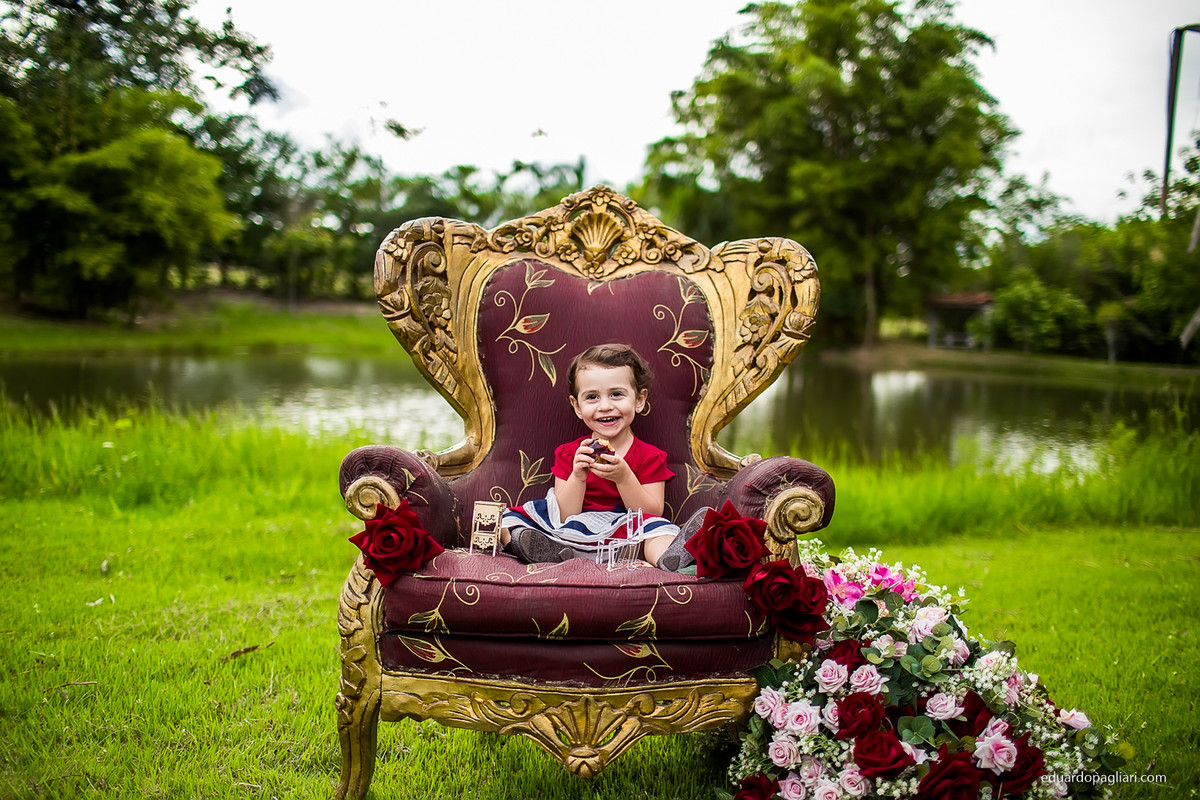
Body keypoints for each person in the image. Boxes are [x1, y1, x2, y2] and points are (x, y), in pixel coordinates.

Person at [500, 343, 682, 568]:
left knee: (660, 533)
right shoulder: (570, 454)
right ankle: (548, 553)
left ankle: (668, 559)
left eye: (616, 394)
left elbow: (652, 513)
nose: (605, 406)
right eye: (592, 397)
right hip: (571, 532)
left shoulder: (650, 456)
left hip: (626, 537)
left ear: (639, 400)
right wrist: (578, 477)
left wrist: (624, 477)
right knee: (507, 524)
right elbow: (564, 515)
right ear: (577, 406)